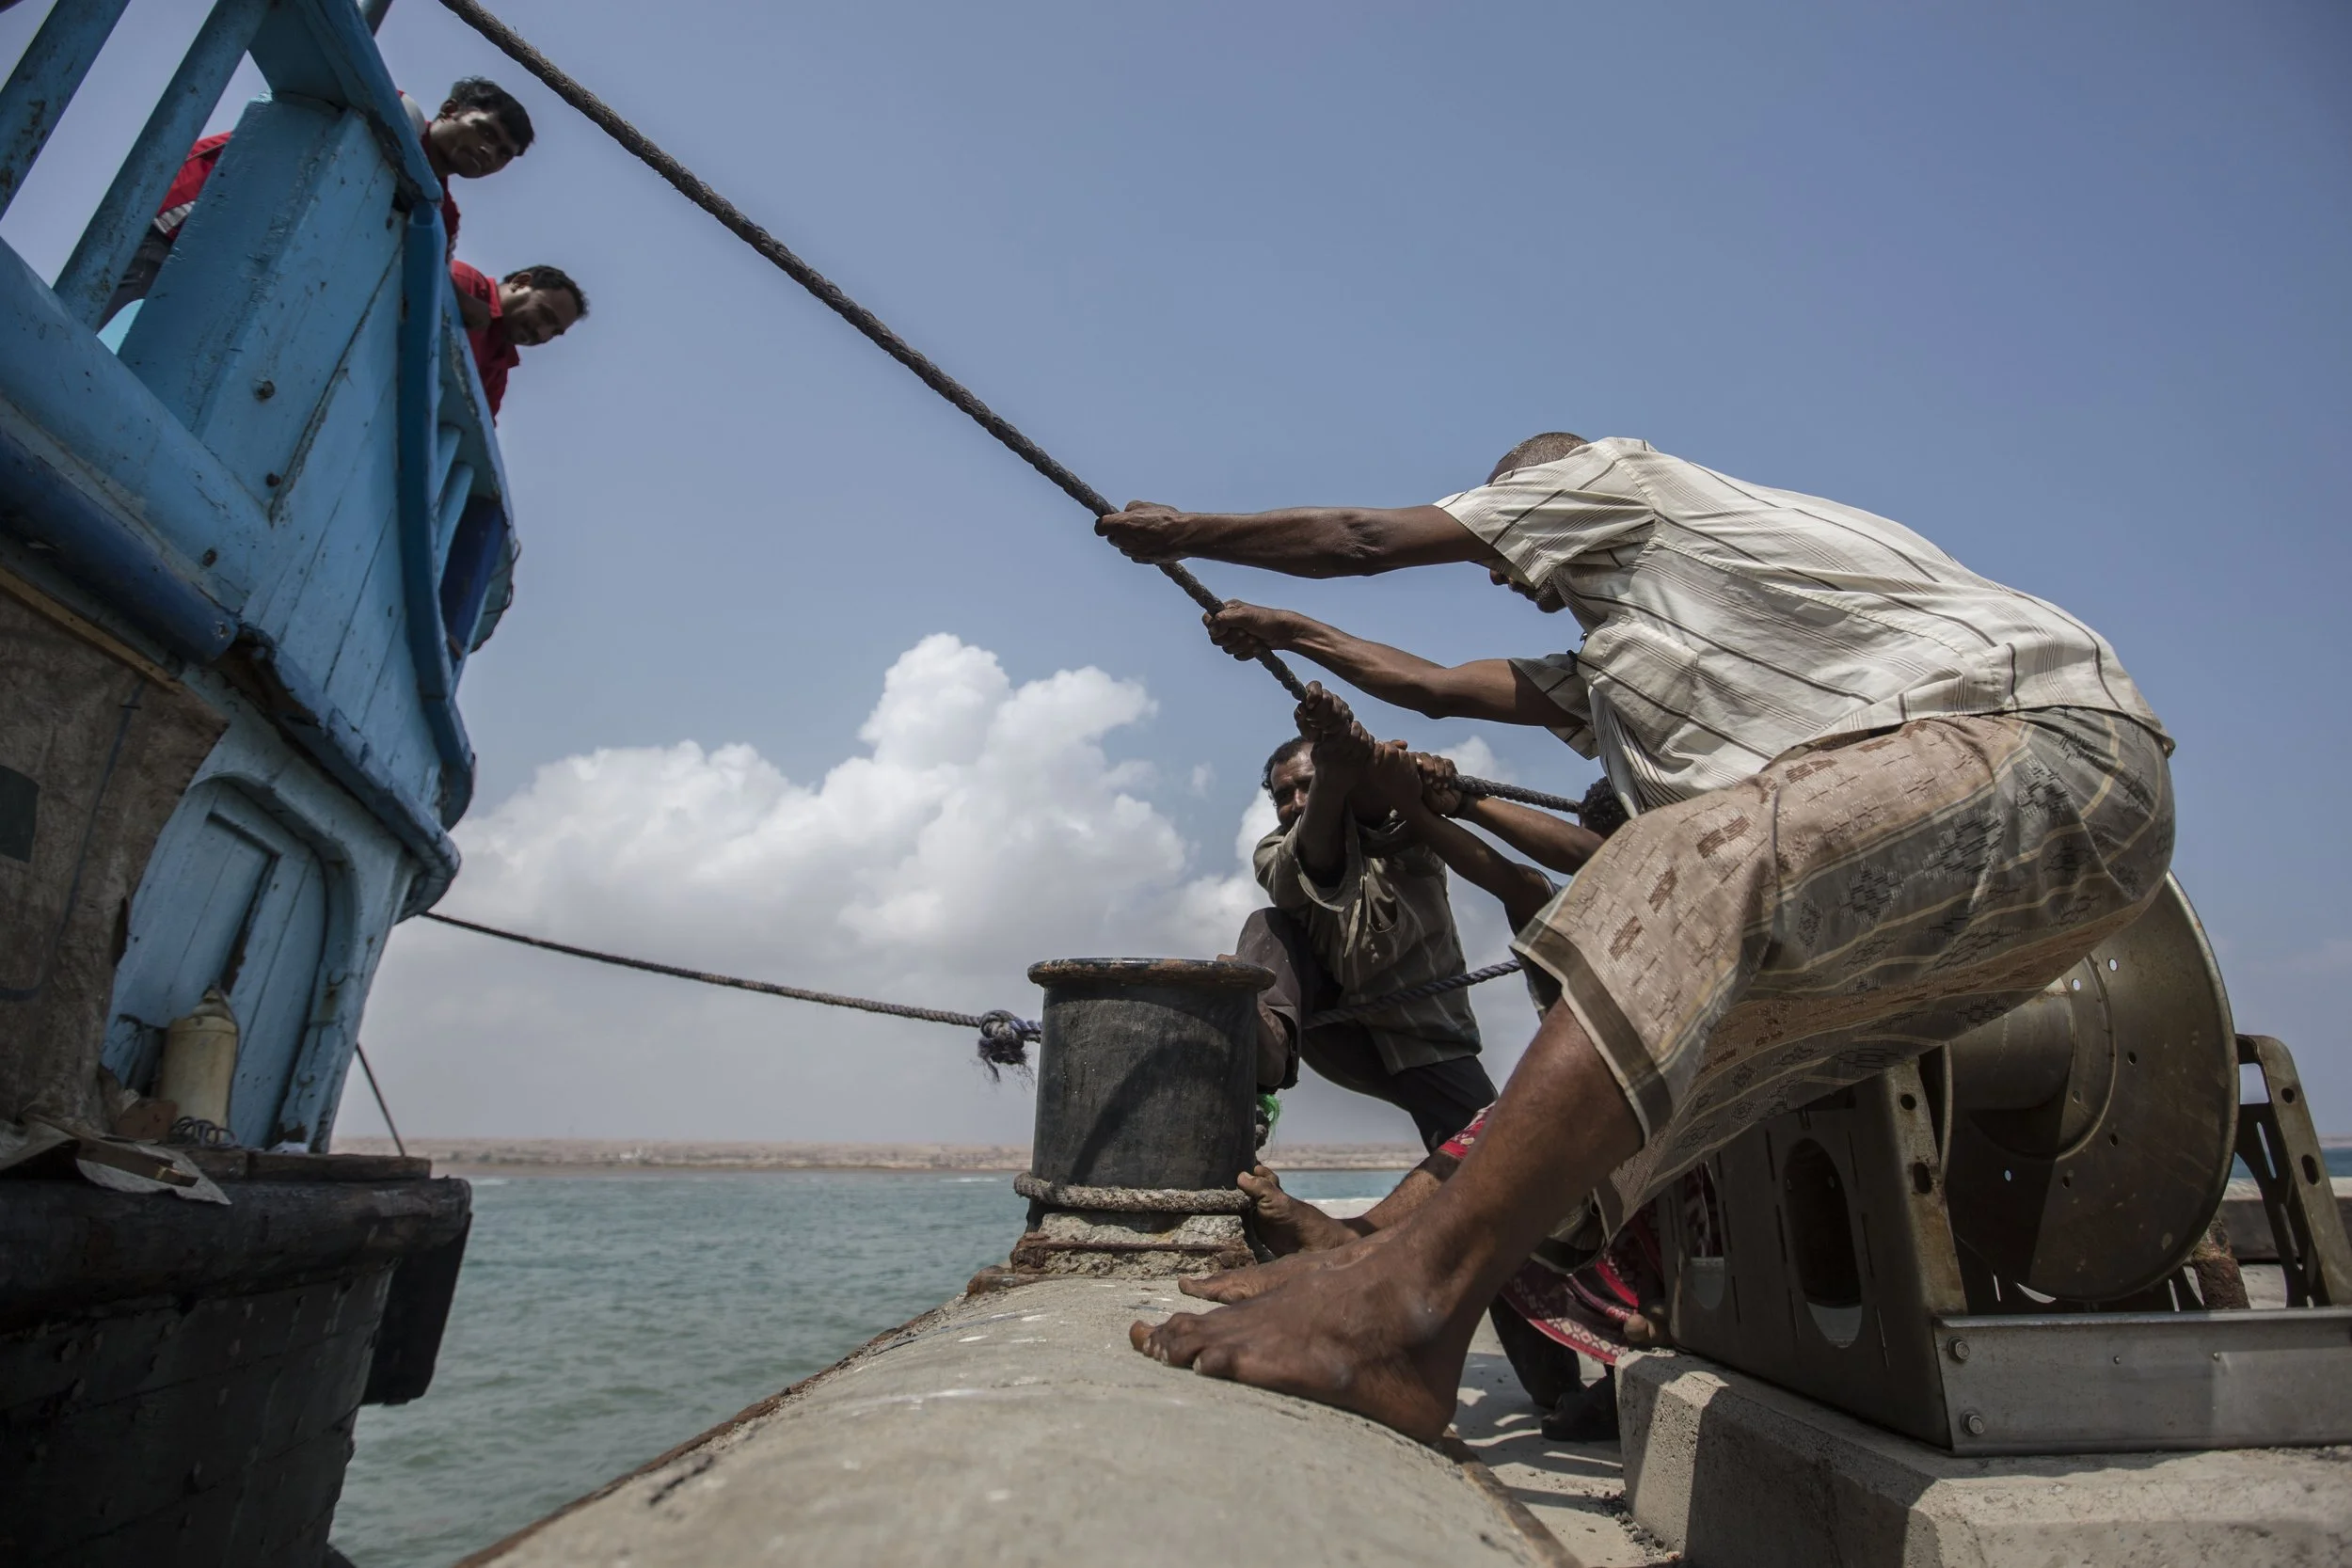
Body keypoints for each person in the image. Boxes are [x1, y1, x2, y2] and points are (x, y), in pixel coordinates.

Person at [1104, 432, 2175, 1443]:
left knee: (1688, 859)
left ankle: (1407, 1311)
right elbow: (1429, 686)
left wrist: (1188, 532)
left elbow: (1364, 538)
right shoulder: (1616, 667)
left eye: (1505, 534)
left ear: (1541, 491)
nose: (1500, 571)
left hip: (2049, 746)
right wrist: (1291, 633)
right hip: (2019, 878)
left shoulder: (1621, 478)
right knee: (1675, 1083)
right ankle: (1369, 1252)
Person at [1240, 683, 1587, 1153]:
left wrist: (1375, 765)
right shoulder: (1274, 849)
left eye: (1308, 784)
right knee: (1268, 924)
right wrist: (1332, 772)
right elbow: (1309, 864)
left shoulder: (1406, 829)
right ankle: (1266, 1046)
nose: (1298, 802)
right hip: (1338, 1029)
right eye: (1285, 794)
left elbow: (1377, 816)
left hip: (1424, 1035)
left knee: (1489, 1155)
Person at [103, 78, 533, 325]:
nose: (488, 152)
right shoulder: (395, 111)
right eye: (485, 131)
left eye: (502, 154)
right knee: (92, 307)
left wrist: (474, 308)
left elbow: (430, 280)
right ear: (451, 110)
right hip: (192, 217)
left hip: (244, 270)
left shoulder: (439, 213)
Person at [448, 261, 588, 418]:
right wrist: (458, 299)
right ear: (519, 283)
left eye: (554, 332)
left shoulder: (497, 374)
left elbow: (475, 428)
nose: (542, 334)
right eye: (544, 314)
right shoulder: (466, 281)